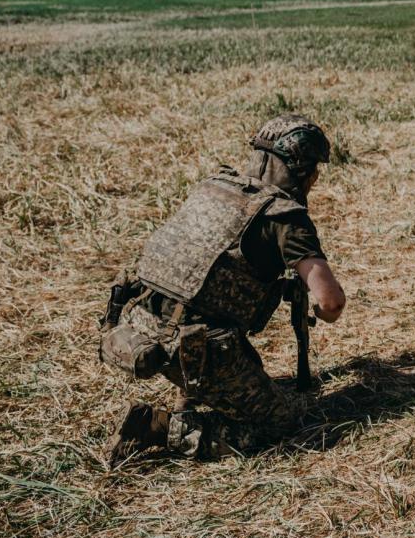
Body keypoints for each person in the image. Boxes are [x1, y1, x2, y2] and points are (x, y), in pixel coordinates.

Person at [100, 114, 346, 465]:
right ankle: (155, 427)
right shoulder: (285, 218)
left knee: (221, 334)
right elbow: (331, 301)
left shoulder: (214, 184)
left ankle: (193, 390)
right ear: (302, 169)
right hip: (189, 344)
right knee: (279, 423)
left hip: (136, 321)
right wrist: (320, 313)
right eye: (314, 170)